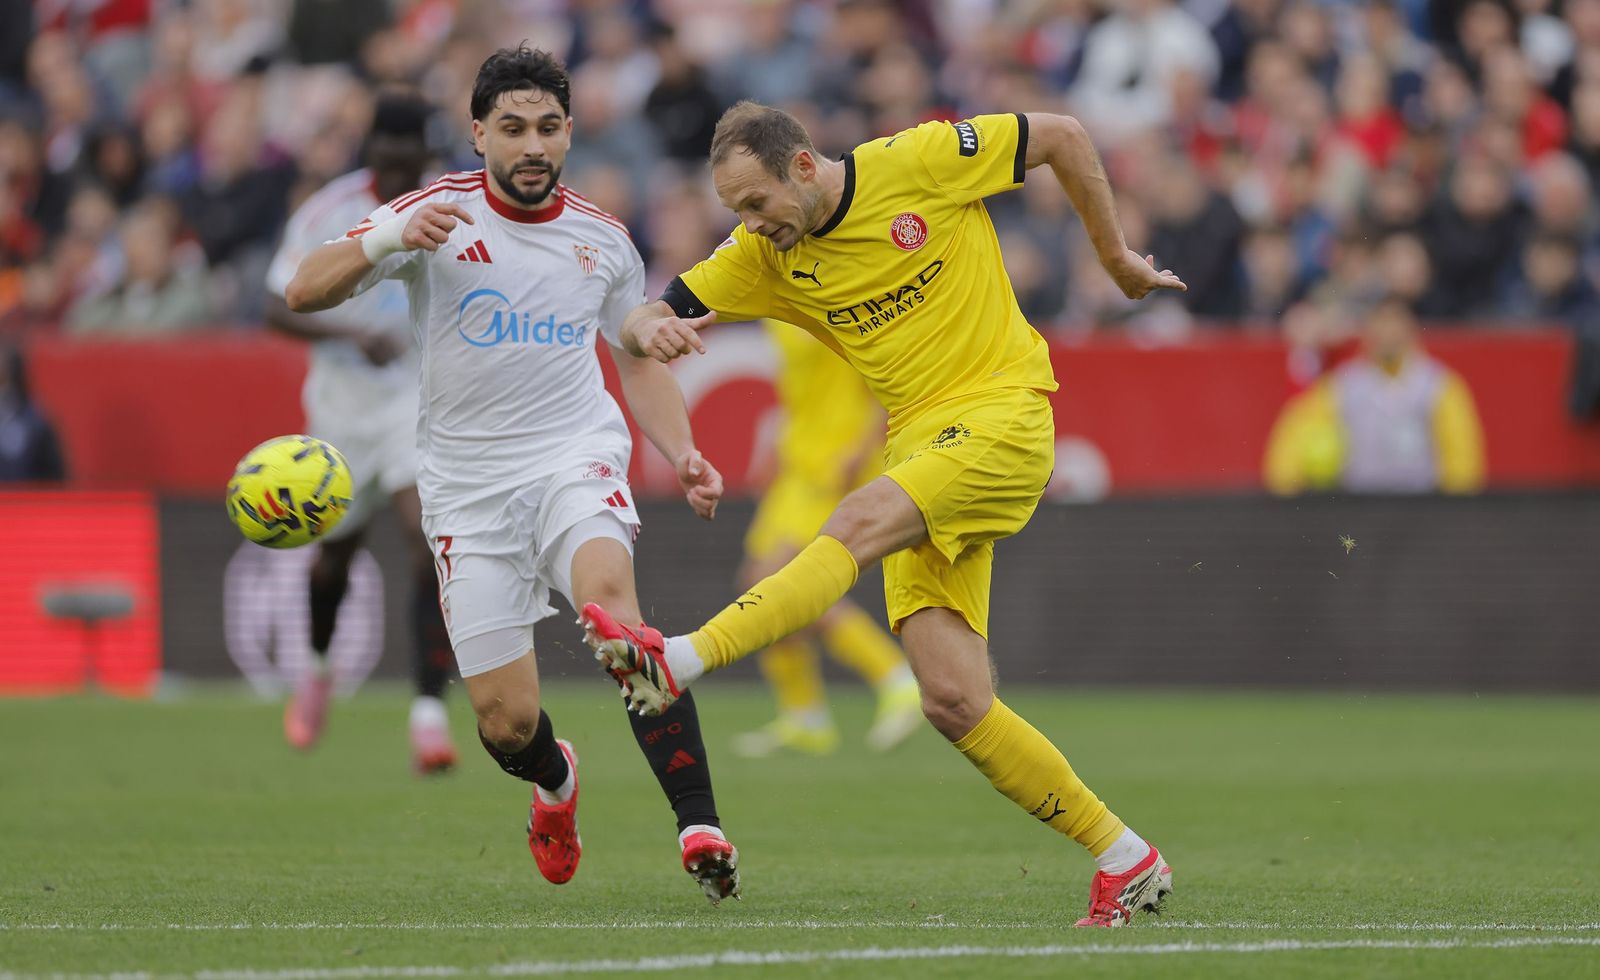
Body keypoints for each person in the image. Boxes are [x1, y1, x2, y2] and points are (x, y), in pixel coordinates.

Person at [582, 102, 1184, 927]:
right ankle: (1127, 859)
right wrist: (652, 329)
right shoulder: (763, 254)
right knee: (951, 697)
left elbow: (1066, 135)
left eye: (756, 203)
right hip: (921, 447)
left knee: (855, 519)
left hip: (1005, 414)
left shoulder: (920, 162)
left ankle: (680, 660)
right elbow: (656, 307)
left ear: (802, 165)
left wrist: (1113, 256)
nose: (750, 224)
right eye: (735, 212)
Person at [281, 47, 740, 904]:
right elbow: (303, 290)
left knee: (617, 623)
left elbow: (633, 357)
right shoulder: (433, 213)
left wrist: (680, 451)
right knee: (506, 724)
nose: (533, 146)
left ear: (569, 133)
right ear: (479, 134)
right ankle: (556, 781)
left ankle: (698, 824)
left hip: (574, 458)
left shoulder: (603, 241)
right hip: (464, 488)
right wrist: (387, 236)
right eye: (515, 129)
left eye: (550, 128)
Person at [263, 91, 459, 773]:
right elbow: (275, 304)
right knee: (334, 560)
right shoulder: (329, 212)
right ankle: (316, 671)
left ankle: (428, 714)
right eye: (390, 156)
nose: (402, 169)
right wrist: (349, 333)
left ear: (425, 155)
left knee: (424, 540)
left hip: (414, 400)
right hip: (343, 407)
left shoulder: (446, 206)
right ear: (372, 151)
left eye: (413, 158)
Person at [733, 320, 920, 757]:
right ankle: (805, 717)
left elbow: (886, 373)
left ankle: (896, 678)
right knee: (757, 584)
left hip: (839, 462)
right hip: (799, 463)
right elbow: (802, 390)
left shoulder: (836, 291)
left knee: (779, 580)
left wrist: (864, 443)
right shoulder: (775, 307)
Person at [1263, 295, 1486, 495]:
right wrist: (1286, 498)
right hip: (1359, 511)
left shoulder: (1439, 386)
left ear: (1411, 329)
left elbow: (1463, 460)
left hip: (1423, 510)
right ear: (1368, 331)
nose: (1388, 332)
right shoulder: (1343, 385)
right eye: (1381, 323)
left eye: (1395, 323)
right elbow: (1293, 437)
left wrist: (1456, 509)